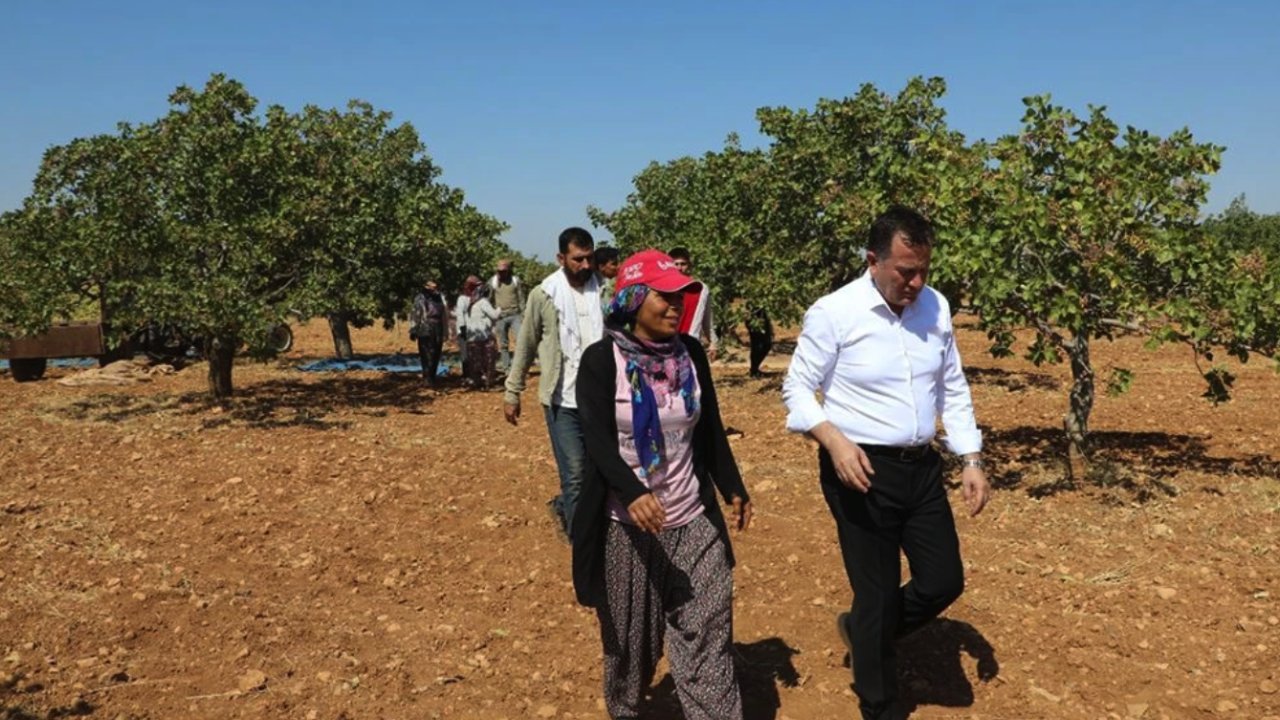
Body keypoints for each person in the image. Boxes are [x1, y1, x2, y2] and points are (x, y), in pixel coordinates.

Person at [781, 206, 991, 720]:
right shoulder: (834, 312)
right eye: (905, 271)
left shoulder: (935, 307)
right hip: (859, 467)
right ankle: (879, 704)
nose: (916, 282)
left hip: (920, 467)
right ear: (873, 260)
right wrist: (832, 439)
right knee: (875, 590)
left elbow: (951, 386)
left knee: (943, 580)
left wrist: (970, 456)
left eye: (924, 270)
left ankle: (864, 632)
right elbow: (796, 388)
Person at [573, 248, 753, 720]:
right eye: (665, 296)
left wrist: (733, 486)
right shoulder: (600, 361)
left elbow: (709, 428)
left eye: (682, 296)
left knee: (708, 632)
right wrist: (632, 493)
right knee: (630, 648)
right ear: (633, 298)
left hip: (692, 516)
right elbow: (596, 441)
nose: (677, 305)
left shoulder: (690, 354)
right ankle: (626, 708)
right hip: (626, 528)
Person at [503, 227, 603, 538]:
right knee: (574, 473)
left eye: (589, 258)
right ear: (561, 258)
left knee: (599, 471)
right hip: (564, 401)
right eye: (578, 260)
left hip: (601, 399)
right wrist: (512, 390)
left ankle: (591, 527)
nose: (585, 266)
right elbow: (527, 343)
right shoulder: (544, 294)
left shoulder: (604, 290)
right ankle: (580, 542)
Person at [668, 247, 718, 361]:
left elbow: (707, 319)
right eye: (676, 264)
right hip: (667, 345)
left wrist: (713, 342)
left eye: (683, 264)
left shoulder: (701, 289)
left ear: (689, 265)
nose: (679, 268)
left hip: (691, 344)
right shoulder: (663, 289)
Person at [409, 279, 449, 388]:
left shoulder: (440, 297)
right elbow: (415, 314)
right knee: (426, 353)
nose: (434, 289)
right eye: (432, 287)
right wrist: (413, 330)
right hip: (425, 327)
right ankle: (427, 377)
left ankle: (432, 377)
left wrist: (446, 331)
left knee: (436, 352)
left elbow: (444, 315)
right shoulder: (420, 298)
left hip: (438, 326)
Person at [491, 259, 525, 373]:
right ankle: (507, 368)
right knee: (503, 344)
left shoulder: (515, 281)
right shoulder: (494, 281)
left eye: (504, 271)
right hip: (501, 316)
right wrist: (492, 314)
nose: (501, 273)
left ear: (508, 270)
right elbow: (489, 299)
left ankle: (518, 367)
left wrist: (523, 314)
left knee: (520, 341)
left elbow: (521, 298)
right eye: (499, 271)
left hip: (515, 314)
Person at [465, 283, 501, 389]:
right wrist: (500, 308)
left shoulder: (471, 303)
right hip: (484, 336)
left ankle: (476, 382)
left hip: (472, 337)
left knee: (476, 361)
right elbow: (494, 315)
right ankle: (489, 383)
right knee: (489, 360)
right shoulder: (484, 302)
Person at [455, 275, 481, 378]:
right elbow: (460, 313)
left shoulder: (476, 298)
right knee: (465, 353)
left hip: (474, 329)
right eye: (475, 286)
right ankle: (466, 375)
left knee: (474, 352)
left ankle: (475, 373)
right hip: (464, 330)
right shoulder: (462, 298)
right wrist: (462, 328)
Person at [746, 304, 774, 378]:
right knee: (756, 346)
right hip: (754, 317)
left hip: (762, 316)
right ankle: (754, 370)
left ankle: (754, 369)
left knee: (766, 345)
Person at [595, 245, 621, 310]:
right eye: (614, 264)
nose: (619, 266)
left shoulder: (605, 282)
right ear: (601, 267)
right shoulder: (592, 287)